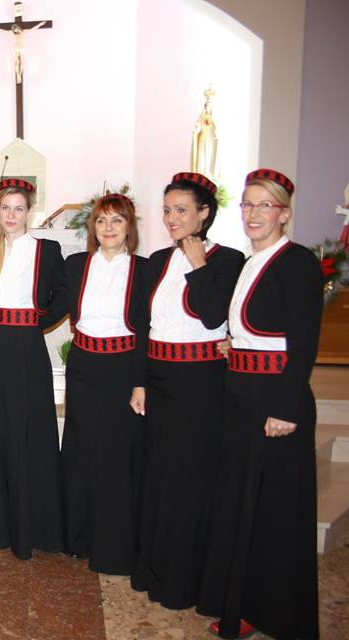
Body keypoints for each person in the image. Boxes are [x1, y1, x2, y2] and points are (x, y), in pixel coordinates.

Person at [197, 169, 322, 640]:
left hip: (275, 404)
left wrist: (287, 408)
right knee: (241, 507)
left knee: (273, 515)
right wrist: (237, 345)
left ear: (284, 214)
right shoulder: (252, 262)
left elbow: (303, 341)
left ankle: (276, 614)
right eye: (247, 205)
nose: (252, 213)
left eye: (263, 206)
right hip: (241, 398)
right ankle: (244, 604)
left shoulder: (298, 262)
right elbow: (259, 330)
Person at [129, 172, 244, 609]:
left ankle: (184, 580)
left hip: (200, 385)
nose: (172, 218)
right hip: (158, 380)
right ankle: (153, 568)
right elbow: (144, 325)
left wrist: (199, 266)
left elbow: (215, 318)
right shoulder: (157, 260)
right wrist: (139, 380)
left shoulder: (228, 260)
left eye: (181, 210)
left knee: (190, 483)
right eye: (167, 210)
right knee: (157, 479)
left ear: (204, 213)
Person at [0, 178, 67, 559]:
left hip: (28, 346)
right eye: (5, 208)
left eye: (18, 208)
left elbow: (64, 295)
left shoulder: (47, 250)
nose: (11, 215)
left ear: (30, 212)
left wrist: (39, 320)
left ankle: (35, 528)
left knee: (32, 428)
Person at [59, 193, 147, 574]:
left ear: (129, 227)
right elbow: (54, 305)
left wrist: (140, 383)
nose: (108, 228)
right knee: (81, 451)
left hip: (123, 367)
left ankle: (113, 545)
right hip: (82, 364)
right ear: (92, 228)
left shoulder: (144, 269)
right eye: (101, 221)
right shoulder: (77, 264)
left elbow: (147, 329)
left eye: (117, 221)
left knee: (115, 456)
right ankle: (77, 537)